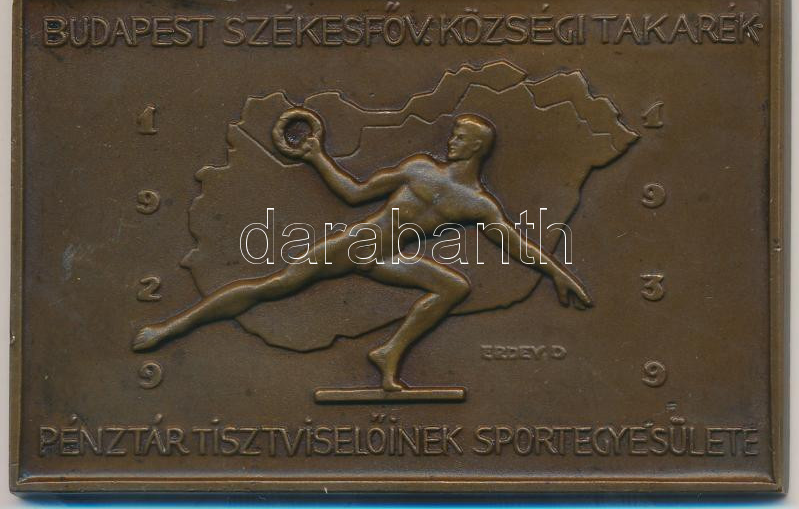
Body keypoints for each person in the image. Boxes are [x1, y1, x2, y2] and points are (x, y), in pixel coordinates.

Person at [133, 111, 592, 391]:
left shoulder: (478, 204)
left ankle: (388, 353)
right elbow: (354, 194)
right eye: (453, 134)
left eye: (459, 136)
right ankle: (170, 326)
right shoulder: (419, 169)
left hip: (386, 258)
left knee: (453, 286)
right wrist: (316, 156)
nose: (450, 139)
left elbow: (515, 244)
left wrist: (557, 273)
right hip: (358, 245)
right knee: (272, 287)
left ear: (475, 147)